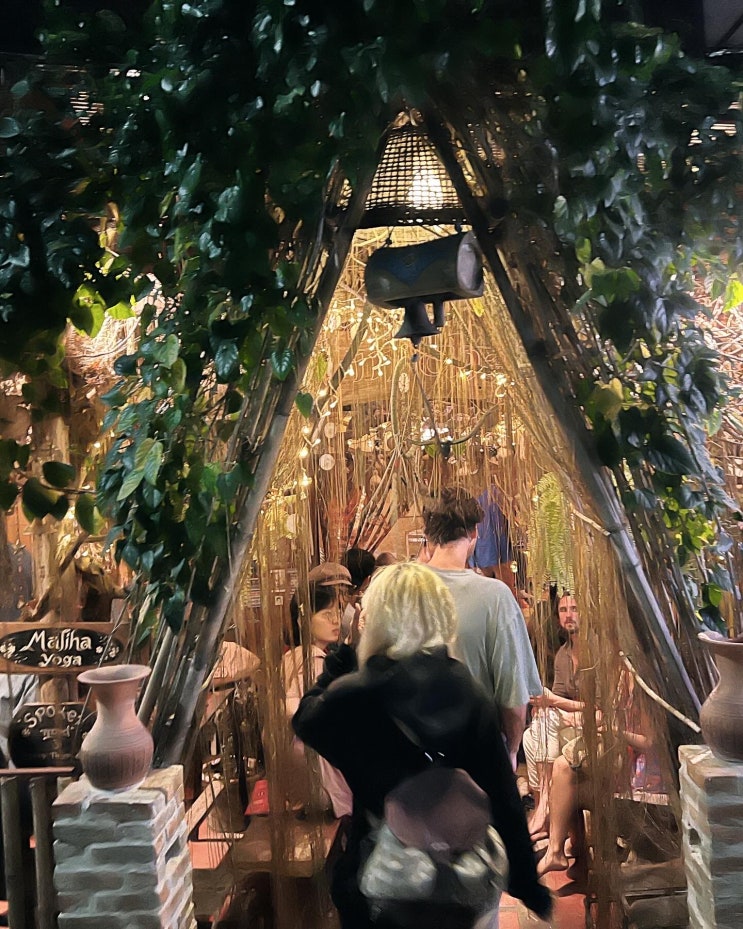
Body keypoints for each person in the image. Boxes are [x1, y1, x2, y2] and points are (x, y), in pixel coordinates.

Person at [292, 562, 552, 929]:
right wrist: (527, 883)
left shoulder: (354, 694)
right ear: (439, 614)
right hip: (458, 889)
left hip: (382, 885)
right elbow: (502, 794)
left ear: (375, 619)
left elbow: (306, 721)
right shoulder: (468, 690)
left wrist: (343, 660)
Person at [423, 487, 542, 771]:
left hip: (410, 759)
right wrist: (511, 751)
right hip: (475, 756)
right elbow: (513, 699)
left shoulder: (395, 589)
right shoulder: (495, 597)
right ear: (475, 533)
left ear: (428, 536)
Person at [282, 579, 352, 818]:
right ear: (303, 620)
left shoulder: (292, 655)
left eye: (337, 612)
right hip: (316, 767)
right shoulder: (314, 661)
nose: (336, 620)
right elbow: (296, 709)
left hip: (297, 765)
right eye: (326, 614)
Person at [522, 592, 585, 836]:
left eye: (574, 609)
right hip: (573, 718)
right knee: (530, 734)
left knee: (545, 722)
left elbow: (601, 708)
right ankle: (543, 812)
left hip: (596, 720)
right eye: (563, 610)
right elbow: (559, 697)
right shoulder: (563, 655)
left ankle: (545, 804)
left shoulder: (596, 653)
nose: (569, 615)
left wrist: (555, 703)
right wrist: (545, 705)